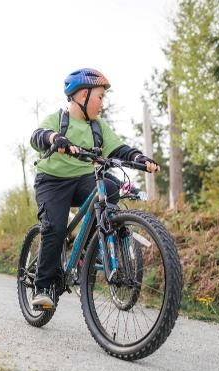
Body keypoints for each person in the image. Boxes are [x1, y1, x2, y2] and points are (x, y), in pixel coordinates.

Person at [29, 68, 159, 307]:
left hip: (82, 179)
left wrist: (139, 158)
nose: (102, 103)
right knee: (55, 228)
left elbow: (119, 149)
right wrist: (55, 139)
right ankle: (44, 284)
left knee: (111, 188)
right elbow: (38, 135)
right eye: (99, 97)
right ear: (82, 96)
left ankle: (85, 251)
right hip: (52, 182)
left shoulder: (98, 127)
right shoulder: (58, 120)